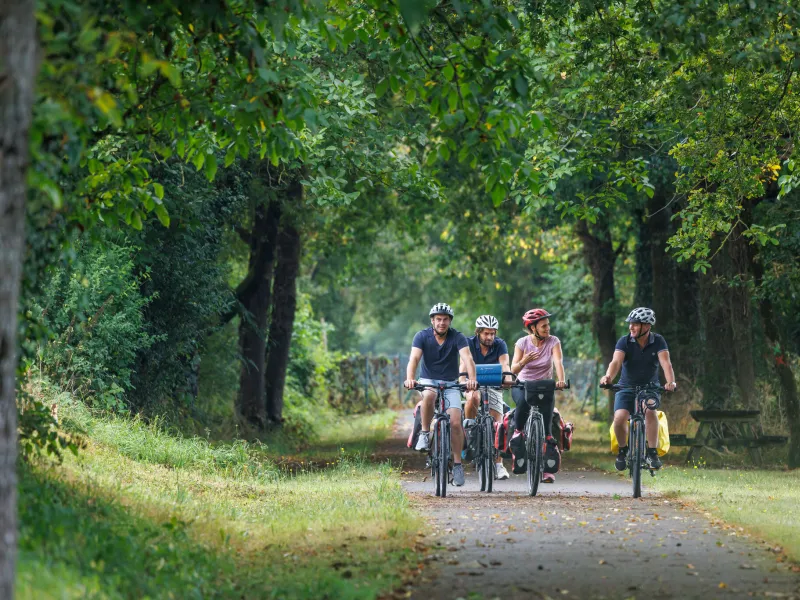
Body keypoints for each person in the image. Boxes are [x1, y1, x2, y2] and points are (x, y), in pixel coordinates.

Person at [404, 303, 478, 487]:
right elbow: (414, 359)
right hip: (428, 381)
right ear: (432, 321)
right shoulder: (421, 336)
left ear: (450, 321)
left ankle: (458, 465)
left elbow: (467, 358)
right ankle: (424, 433)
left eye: (445, 319)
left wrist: (472, 379)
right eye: (438, 319)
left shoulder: (457, 337)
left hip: (451, 383)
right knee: (428, 397)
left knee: (455, 422)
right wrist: (410, 378)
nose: (442, 323)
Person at [600, 307, 677, 471]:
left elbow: (666, 363)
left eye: (635, 324)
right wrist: (608, 377)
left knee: (650, 411)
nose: (631, 327)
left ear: (647, 326)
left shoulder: (658, 341)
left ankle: (651, 452)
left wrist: (670, 382)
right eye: (630, 324)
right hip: (625, 387)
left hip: (650, 388)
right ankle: (622, 450)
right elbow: (616, 362)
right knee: (619, 418)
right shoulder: (624, 341)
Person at [508, 308, 567, 483]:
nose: (548, 328)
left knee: (547, 422)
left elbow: (558, 362)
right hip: (523, 385)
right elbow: (512, 370)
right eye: (543, 326)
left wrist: (561, 380)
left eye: (548, 325)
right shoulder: (522, 343)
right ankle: (518, 434)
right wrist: (524, 361)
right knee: (524, 404)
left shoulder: (553, 341)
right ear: (532, 328)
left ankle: (547, 467)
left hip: (544, 386)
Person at [459, 314, 512, 480]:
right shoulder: (468, 343)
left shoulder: (500, 344)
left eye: (492, 333)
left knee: (498, 423)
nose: (490, 337)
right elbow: (464, 363)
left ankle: (498, 464)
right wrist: (462, 380)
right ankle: (470, 430)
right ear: (478, 332)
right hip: (471, 384)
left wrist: (508, 377)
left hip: (493, 386)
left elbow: (504, 363)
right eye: (486, 333)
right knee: (473, 398)